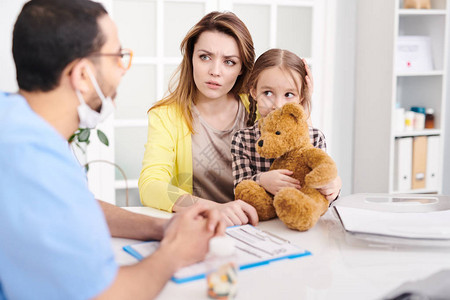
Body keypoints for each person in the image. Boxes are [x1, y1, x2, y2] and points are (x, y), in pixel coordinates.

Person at [0, 1, 225, 299]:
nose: (122, 70)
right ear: (81, 75)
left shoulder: (19, 122)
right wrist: (175, 252)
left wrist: (163, 227)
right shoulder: (32, 163)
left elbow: (77, 207)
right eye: (118, 56)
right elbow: (107, 295)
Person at [138, 11, 259, 226]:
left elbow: (298, 158)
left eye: (229, 62)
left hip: (259, 226)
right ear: (191, 58)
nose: (215, 71)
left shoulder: (257, 109)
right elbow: (151, 185)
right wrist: (216, 209)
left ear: (242, 68)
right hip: (199, 227)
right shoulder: (166, 115)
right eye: (205, 57)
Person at [232, 49, 342, 203]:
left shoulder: (315, 137)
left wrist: (333, 188)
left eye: (289, 95)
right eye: (268, 93)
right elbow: (239, 188)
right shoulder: (242, 139)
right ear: (254, 92)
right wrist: (262, 180)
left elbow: (321, 190)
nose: (278, 105)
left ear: (301, 97)